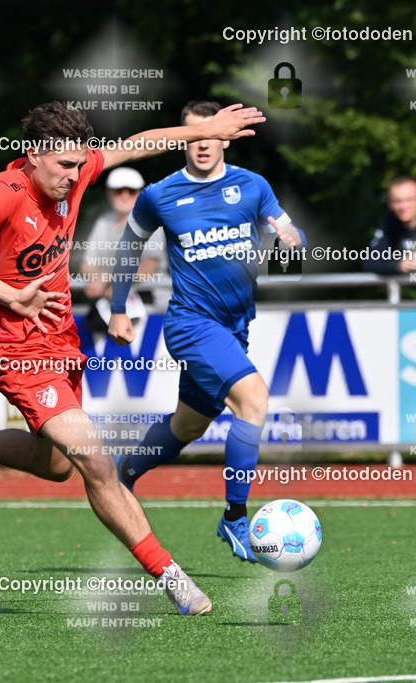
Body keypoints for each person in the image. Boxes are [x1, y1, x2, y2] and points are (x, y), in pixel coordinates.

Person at [0, 100, 266, 615]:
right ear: (33, 155)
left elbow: (138, 143)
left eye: (81, 165)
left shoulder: (76, 171)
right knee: (97, 461)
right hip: (16, 350)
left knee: (55, 464)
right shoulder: (4, 193)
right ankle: (170, 576)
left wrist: (208, 129)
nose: (75, 175)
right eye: (64, 166)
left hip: (60, 342)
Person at [103, 100, 307, 563]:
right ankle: (235, 517)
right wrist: (118, 308)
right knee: (254, 400)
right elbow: (127, 248)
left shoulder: (253, 187)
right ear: (184, 139)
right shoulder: (159, 194)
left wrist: (292, 246)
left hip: (235, 328)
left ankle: (122, 472)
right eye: (194, 135)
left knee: (188, 425)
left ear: (227, 136)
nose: (203, 143)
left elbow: (291, 242)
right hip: (190, 324)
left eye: (212, 134)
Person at [80, 167, 169, 308]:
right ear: (109, 192)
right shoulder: (103, 222)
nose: (125, 196)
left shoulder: (150, 221)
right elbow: (87, 266)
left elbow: (147, 268)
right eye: (118, 191)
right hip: (113, 303)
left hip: (152, 307)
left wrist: (108, 277)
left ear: (141, 193)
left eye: (131, 191)